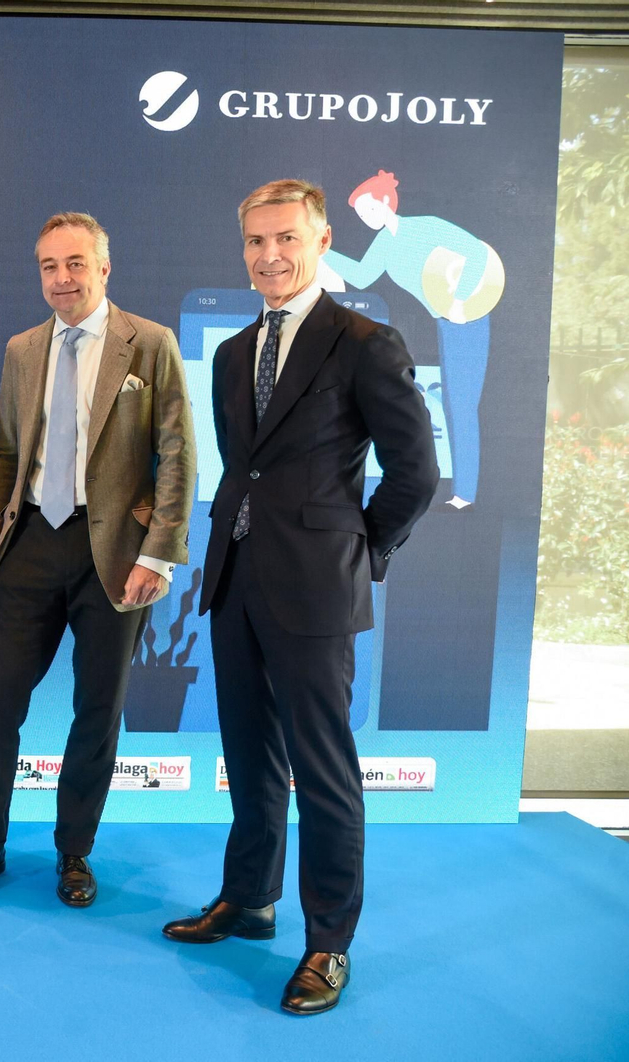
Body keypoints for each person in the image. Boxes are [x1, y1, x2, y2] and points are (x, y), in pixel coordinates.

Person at [163, 179, 438, 1015]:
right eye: (255, 241)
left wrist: (356, 550)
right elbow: (244, 469)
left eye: (285, 238)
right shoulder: (231, 353)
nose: (269, 255)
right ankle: (248, 899)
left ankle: (328, 943)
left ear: (321, 242)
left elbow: (414, 473)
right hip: (235, 579)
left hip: (317, 587)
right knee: (249, 757)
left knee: (323, 771)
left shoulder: (365, 342)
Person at [0, 212, 195, 907]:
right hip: (31, 546)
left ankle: (75, 854)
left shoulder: (150, 343)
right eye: (49, 266)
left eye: (75, 263)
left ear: (104, 268)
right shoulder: (23, 349)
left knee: (97, 709)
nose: (62, 278)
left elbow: (177, 455)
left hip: (115, 554)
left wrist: (159, 556)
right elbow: (3, 453)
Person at [323, 169, 503, 509]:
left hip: (469, 316)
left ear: (385, 202)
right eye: (361, 215)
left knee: (463, 405)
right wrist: (322, 252)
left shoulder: (426, 227)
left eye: (369, 209)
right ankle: (462, 492)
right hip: (446, 321)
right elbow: (362, 275)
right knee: (453, 403)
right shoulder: (385, 244)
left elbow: (475, 253)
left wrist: (462, 300)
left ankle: (466, 495)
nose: (366, 218)